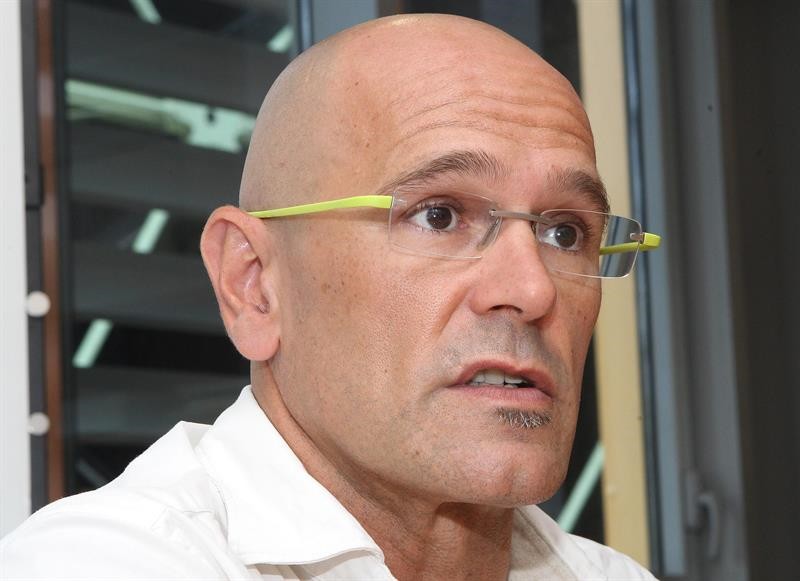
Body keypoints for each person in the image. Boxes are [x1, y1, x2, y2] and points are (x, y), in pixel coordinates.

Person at [1, 14, 659, 581]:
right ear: (253, 284)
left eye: (566, 232)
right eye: (438, 216)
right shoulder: (106, 563)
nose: (532, 288)